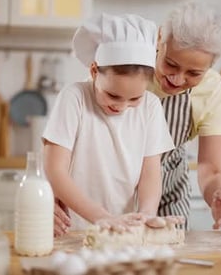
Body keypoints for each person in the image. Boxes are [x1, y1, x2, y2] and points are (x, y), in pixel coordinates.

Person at [54, 2, 221, 235]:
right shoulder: (125, 62)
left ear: (211, 65)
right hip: (108, 192)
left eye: (194, 73)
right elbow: (66, 145)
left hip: (167, 191)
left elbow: (212, 167)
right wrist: (53, 191)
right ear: (160, 39)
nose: (178, 79)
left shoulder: (213, 92)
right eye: (171, 64)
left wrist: (219, 195)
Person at [42, 13, 176, 231]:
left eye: (134, 98)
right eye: (113, 95)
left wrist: (146, 214)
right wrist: (101, 217)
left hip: (120, 231)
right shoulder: (74, 97)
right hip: (70, 228)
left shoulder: (151, 106)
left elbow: (150, 174)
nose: (121, 106)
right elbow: (54, 169)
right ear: (94, 71)